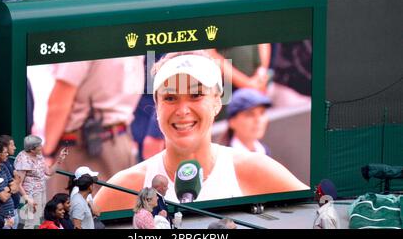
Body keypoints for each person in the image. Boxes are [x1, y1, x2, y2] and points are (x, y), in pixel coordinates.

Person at [94, 50, 308, 212]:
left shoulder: (254, 170)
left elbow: (318, 213)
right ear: (157, 108)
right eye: (170, 98)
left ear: (217, 102)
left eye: (196, 95)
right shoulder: (125, 186)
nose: (183, 110)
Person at [42, 57, 144, 198]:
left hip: (83, 148)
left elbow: (58, 103)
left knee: (68, 215)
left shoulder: (82, 39)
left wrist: (47, 152)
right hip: (120, 141)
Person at [14, 135, 68, 229]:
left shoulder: (39, 156)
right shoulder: (23, 160)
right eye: (39, 146)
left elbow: (49, 172)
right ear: (32, 149)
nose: (41, 147)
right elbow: (18, 183)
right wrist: (28, 199)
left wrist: (60, 159)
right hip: (30, 196)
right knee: (30, 224)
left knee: (38, 221)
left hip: (41, 192)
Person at [226, 88, 272, 155]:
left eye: (262, 113)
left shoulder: (264, 151)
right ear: (232, 122)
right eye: (250, 114)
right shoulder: (224, 158)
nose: (258, 120)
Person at [0, 135, 22, 224]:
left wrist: (16, 181)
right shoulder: (1, 164)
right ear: (5, 147)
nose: (15, 148)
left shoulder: (7, 162)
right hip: (5, 212)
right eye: (12, 145)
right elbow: (4, 195)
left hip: (13, 208)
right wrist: (15, 183)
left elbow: (17, 183)